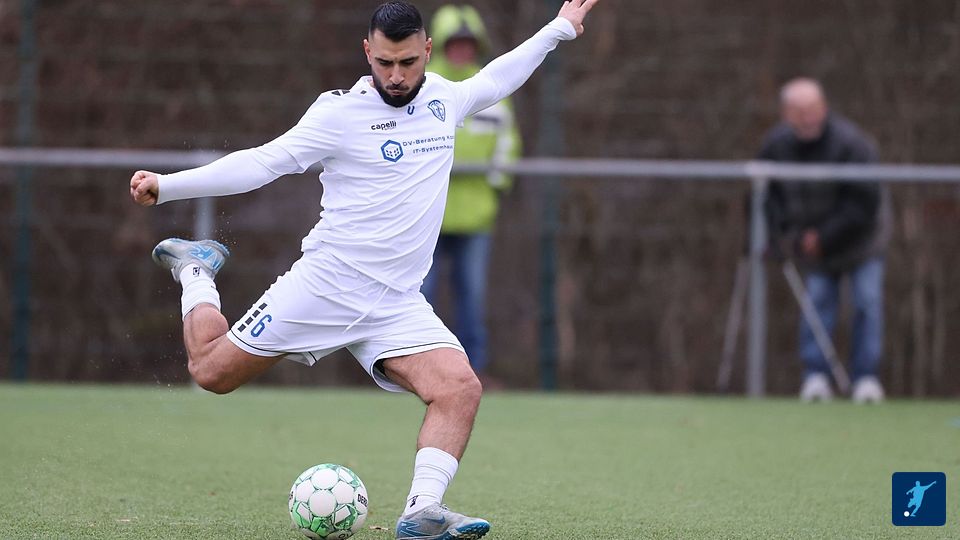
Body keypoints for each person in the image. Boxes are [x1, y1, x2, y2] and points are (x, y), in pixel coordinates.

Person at [128, 1, 600, 538]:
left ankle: (422, 510)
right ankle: (196, 270)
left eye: (407, 62)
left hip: (397, 303)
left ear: (427, 51)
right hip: (326, 286)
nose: (396, 76)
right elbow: (263, 162)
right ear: (367, 53)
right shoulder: (338, 114)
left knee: (460, 388)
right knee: (211, 372)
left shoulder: (445, 99)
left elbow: (498, 77)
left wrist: (559, 29)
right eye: (384, 63)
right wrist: (169, 186)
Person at [759, 77, 890, 404]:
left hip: (861, 242)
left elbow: (863, 204)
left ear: (824, 107)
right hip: (814, 246)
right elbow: (768, 200)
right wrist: (784, 237)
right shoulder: (775, 146)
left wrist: (824, 237)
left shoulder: (852, 144)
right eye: (799, 110)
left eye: (813, 108)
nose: (808, 117)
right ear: (786, 113)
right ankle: (815, 376)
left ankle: (866, 378)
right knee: (817, 305)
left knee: (866, 302)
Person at [421, 5, 522, 387]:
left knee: (472, 299)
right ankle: (417, 371)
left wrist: (495, 182)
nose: (462, 50)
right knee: (419, 298)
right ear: (438, 46)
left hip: (477, 215)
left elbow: (508, 144)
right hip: (426, 216)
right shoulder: (423, 85)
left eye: (469, 43)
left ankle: (472, 371)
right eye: (455, 43)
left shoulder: (490, 87)